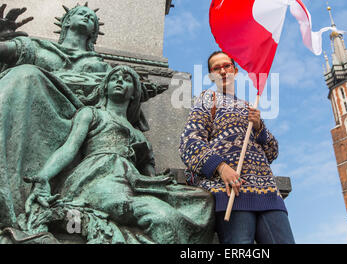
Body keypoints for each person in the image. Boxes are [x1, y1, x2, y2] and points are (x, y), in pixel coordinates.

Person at [24, 65, 215, 244]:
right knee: (161, 218)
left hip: (132, 183)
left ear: (135, 93)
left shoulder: (139, 135)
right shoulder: (91, 114)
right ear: (104, 88)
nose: (119, 81)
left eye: (126, 79)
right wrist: (44, 177)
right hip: (97, 178)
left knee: (202, 200)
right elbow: (69, 148)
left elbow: (150, 175)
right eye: (114, 78)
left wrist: (160, 181)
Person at [0, 3, 112, 228]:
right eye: (80, 13)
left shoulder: (102, 67)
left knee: (26, 75)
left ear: (94, 32)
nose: (86, 16)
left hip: (79, 118)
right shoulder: (38, 48)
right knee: (24, 75)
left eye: (92, 17)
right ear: (66, 22)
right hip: (32, 105)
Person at [179, 51, 295, 244]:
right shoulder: (207, 100)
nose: (223, 71)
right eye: (216, 68)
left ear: (236, 70)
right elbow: (189, 142)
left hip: (267, 193)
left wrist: (259, 128)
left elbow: (272, 152)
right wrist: (221, 167)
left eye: (227, 66)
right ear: (210, 76)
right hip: (232, 192)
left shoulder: (249, 107)